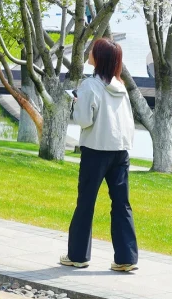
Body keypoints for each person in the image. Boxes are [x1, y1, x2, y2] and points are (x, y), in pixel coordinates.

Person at [59, 37, 139, 273]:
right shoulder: (120, 86)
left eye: (93, 50)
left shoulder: (90, 86)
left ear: (99, 58)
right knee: (121, 203)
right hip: (120, 150)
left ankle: (78, 256)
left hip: (96, 150)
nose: (89, 53)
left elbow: (84, 120)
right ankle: (126, 258)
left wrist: (75, 101)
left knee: (86, 202)